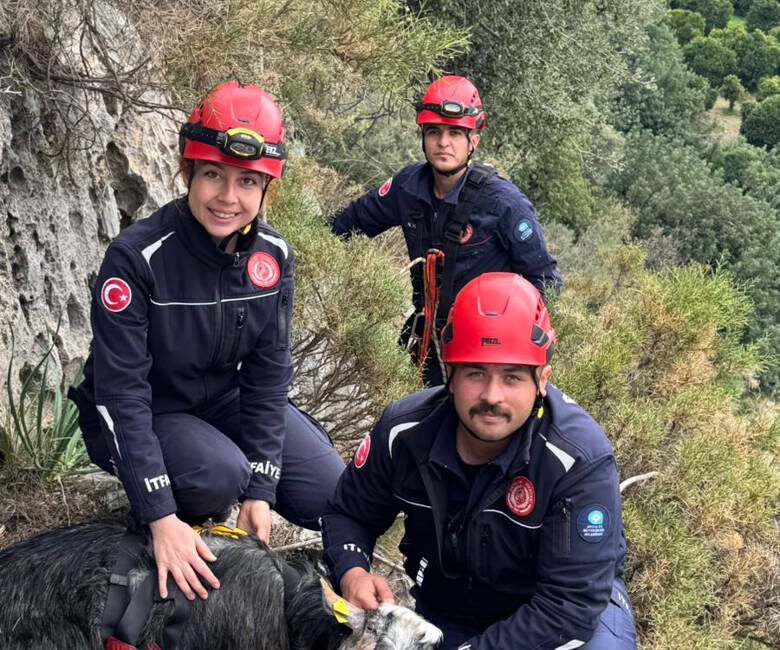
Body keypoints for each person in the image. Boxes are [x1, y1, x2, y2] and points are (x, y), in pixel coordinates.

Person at [69, 81, 344, 603]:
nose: (228, 197)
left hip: (221, 402)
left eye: (247, 181)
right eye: (213, 174)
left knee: (332, 493)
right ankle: (164, 538)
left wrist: (262, 490)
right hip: (144, 411)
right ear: (187, 171)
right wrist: (161, 516)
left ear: (268, 188)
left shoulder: (273, 258)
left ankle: (224, 490)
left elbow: (268, 378)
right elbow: (120, 393)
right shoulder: (137, 257)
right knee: (218, 475)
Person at [321, 272, 637, 649]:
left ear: (542, 380)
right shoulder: (404, 433)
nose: (492, 396)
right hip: (451, 610)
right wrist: (352, 571)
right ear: (450, 375)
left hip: (564, 620)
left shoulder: (577, 460)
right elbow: (348, 514)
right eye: (475, 373)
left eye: (513, 377)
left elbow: (570, 606)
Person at [329, 76, 561, 385]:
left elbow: (545, 282)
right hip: (424, 343)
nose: (443, 142)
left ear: (473, 141)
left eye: (455, 133)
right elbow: (350, 224)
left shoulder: (503, 204)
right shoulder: (407, 187)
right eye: (434, 132)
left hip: (482, 351)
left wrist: (511, 352)